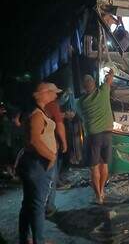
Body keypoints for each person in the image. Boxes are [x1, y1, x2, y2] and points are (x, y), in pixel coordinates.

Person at [16, 82, 61, 244]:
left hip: (33, 163)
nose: (55, 95)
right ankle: (38, 241)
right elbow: (34, 140)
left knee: (29, 203)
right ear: (44, 94)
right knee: (37, 206)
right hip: (37, 164)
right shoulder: (37, 115)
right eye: (53, 93)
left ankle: (26, 239)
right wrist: (52, 156)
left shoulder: (37, 112)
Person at [76, 70, 114, 204]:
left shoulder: (80, 103)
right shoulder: (103, 92)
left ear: (83, 87)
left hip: (93, 137)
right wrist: (110, 73)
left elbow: (80, 116)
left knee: (94, 167)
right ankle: (102, 190)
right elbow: (110, 78)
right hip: (108, 135)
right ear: (94, 84)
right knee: (104, 166)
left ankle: (98, 196)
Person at [45, 97, 69, 218]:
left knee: (43, 177)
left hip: (36, 148)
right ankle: (48, 207)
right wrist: (64, 142)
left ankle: (40, 205)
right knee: (51, 176)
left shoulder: (33, 104)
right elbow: (59, 125)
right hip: (50, 145)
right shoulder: (53, 104)